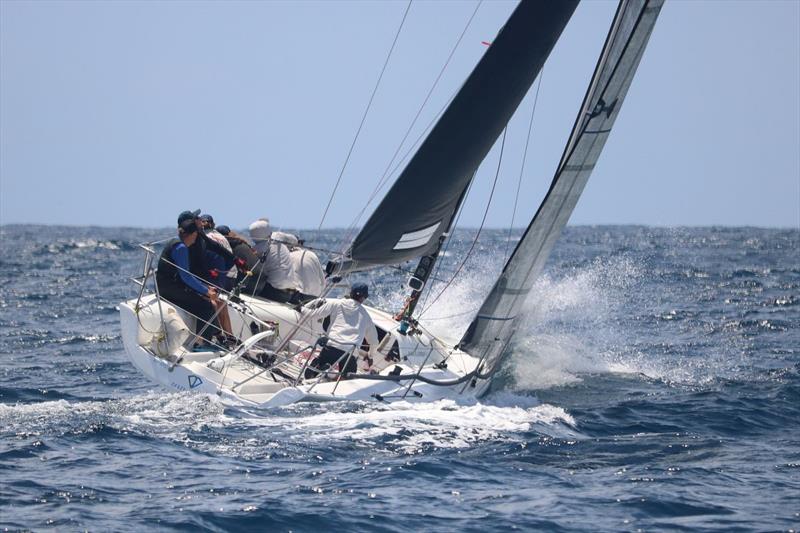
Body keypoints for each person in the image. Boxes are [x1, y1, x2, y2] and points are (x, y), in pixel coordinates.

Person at [156, 219, 224, 345]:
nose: (196, 239)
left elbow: (186, 276)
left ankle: (218, 335)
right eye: (196, 235)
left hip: (167, 286)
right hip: (169, 290)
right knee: (206, 306)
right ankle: (202, 344)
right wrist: (206, 291)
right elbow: (186, 277)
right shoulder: (181, 248)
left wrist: (205, 287)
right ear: (192, 234)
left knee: (204, 299)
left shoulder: (175, 243)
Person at [299, 282, 378, 378]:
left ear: (351, 293)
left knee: (311, 374)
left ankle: (320, 368)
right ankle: (332, 375)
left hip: (332, 346)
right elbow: (374, 342)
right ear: (364, 297)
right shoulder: (366, 316)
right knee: (347, 381)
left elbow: (313, 314)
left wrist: (301, 308)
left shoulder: (336, 303)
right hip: (349, 354)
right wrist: (370, 356)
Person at [248, 218, 301, 303]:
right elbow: (293, 239)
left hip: (275, 293)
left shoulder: (256, 250)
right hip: (290, 294)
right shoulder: (279, 241)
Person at [275, 232, 326, 298]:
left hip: (300, 296)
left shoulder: (288, 257)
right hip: (316, 297)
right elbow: (323, 282)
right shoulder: (312, 254)